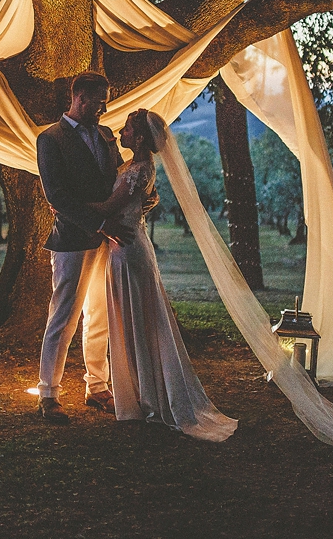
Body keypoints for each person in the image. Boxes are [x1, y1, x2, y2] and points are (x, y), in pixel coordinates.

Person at [87, 109, 237, 441]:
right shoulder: (131, 168)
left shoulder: (139, 170)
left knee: (138, 324)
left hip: (128, 252)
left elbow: (108, 207)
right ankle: (143, 392)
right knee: (131, 323)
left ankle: (151, 397)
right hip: (122, 249)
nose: (122, 133)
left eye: (126, 130)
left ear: (139, 138)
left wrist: (65, 203)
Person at [34, 71, 134, 424]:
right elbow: (56, 196)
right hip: (73, 241)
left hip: (110, 240)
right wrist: (102, 223)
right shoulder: (50, 139)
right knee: (63, 317)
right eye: (100, 101)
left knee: (101, 315)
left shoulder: (106, 135)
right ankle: (48, 393)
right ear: (81, 99)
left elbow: (118, 179)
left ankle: (97, 386)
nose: (105, 108)